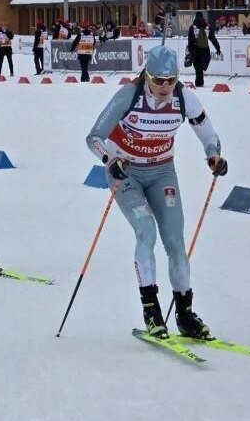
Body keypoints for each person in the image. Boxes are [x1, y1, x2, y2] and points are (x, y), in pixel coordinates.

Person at [85, 45, 227, 339]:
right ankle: (152, 311)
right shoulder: (129, 95)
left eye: (170, 80)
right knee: (146, 231)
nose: (164, 87)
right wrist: (110, 161)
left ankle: (185, 315)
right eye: (158, 80)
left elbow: (208, 132)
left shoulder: (184, 97)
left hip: (163, 172)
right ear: (146, 75)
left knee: (175, 242)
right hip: (127, 174)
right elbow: (94, 136)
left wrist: (214, 155)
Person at [187, 12, 221, 88]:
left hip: (196, 49)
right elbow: (213, 38)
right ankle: (200, 82)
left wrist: (190, 51)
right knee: (201, 67)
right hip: (205, 50)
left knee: (198, 67)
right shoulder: (207, 27)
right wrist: (218, 48)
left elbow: (190, 41)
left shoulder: (192, 27)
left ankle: (199, 83)